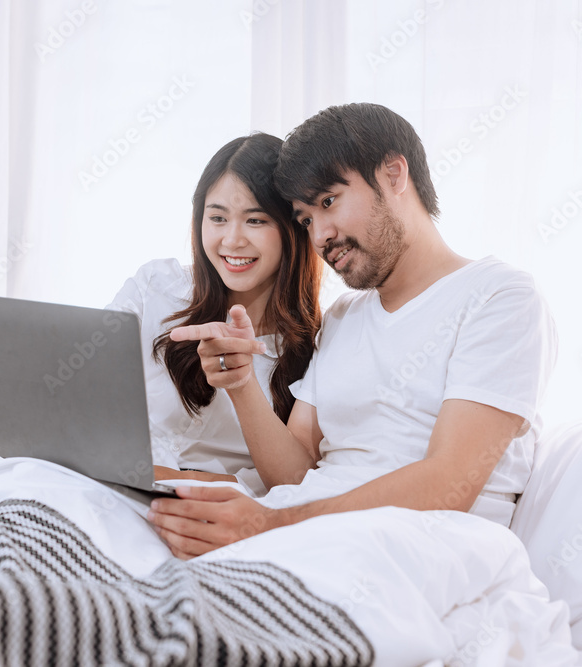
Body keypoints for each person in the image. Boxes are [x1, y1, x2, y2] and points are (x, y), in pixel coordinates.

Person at [147, 103, 558, 558]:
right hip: (302, 534)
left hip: (409, 548)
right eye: (305, 219)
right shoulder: (344, 317)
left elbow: (450, 483)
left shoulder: (499, 297)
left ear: (394, 175)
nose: (320, 235)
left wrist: (270, 523)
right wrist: (242, 384)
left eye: (328, 202)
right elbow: (295, 475)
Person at [107, 133, 322, 497]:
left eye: (256, 221)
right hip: (109, 484)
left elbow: (293, 482)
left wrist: (178, 480)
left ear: (293, 229)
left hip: (213, 506)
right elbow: (90, 392)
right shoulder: (156, 287)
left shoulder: (317, 345)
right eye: (217, 217)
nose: (232, 240)